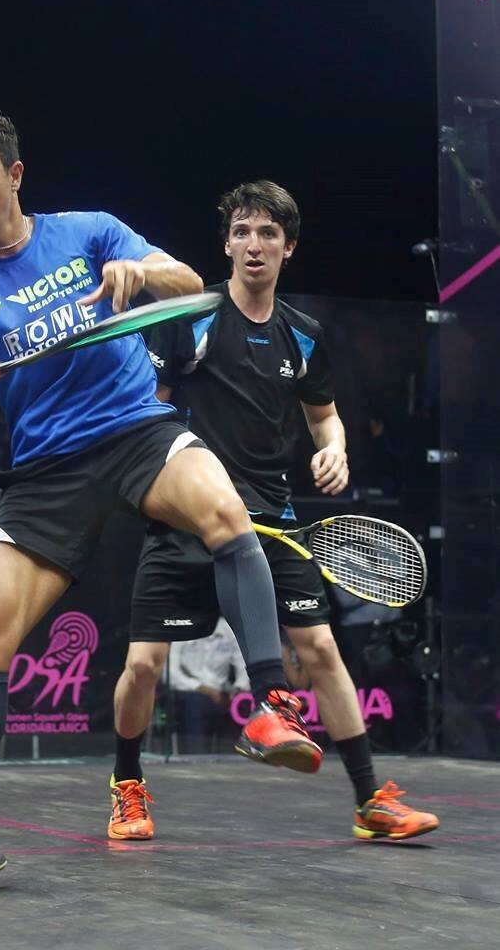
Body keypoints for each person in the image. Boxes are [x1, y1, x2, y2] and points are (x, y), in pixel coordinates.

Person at [0, 107, 321, 895]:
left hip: (135, 429)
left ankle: (271, 707)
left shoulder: (88, 230)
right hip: (48, 471)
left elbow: (189, 283)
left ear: (14, 175)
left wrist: (138, 275)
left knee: (227, 515)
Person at [107, 180, 439, 844]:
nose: (252, 244)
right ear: (226, 243)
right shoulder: (190, 319)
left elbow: (324, 418)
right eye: (241, 232)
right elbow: (148, 410)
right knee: (143, 664)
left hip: (273, 523)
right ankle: (127, 785)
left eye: (266, 234)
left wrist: (336, 451)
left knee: (320, 648)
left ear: (289, 247)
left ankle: (371, 799)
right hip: (186, 520)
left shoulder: (304, 338)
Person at [167, 618, 248, 753]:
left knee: (240, 705)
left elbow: (243, 664)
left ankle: (233, 757)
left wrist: (239, 688)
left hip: (223, 694)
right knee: (196, 703)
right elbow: (170, 673)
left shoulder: (228, 630)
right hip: (189, 691)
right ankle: (197, 754)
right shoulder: (183, 624)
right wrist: (203, 689)